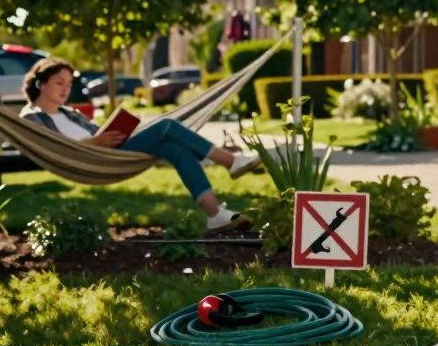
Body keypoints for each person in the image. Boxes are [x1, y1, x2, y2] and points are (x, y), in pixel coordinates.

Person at [20, 57, 262, 232]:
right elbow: (60, 149)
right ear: (41, 83)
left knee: (174, 148)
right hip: (93, 159)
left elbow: (98, 133)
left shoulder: (70, 113)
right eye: (59, 82)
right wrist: (96, 142)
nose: (66, 88)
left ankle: (215, 214)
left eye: (69, 83)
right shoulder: (31, 117)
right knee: (167, 126)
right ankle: (231, 161)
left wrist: (113, 134)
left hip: (112, 152)